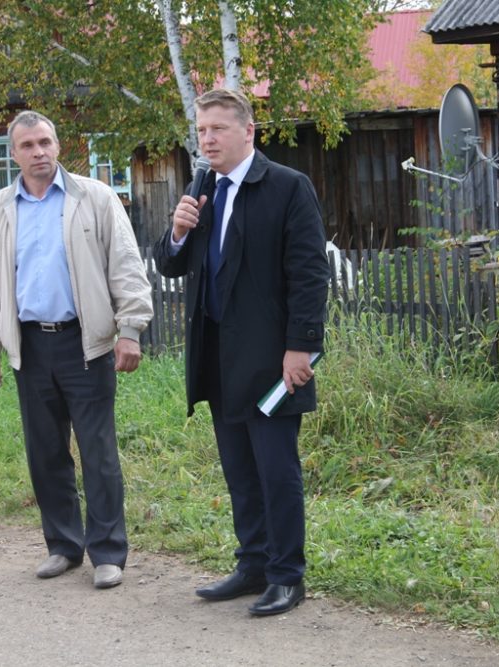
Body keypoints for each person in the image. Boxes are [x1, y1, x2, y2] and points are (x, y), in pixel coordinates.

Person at [152, 88, 329, 617]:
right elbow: (171, 265)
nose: (207, 140)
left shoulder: (286, 187)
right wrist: (179, 231)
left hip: (274, 363)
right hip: (219, 360)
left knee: (277, 471)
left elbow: (310, 275)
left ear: (247, 131)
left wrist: (301, 348)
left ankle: (287, 576)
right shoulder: (203, 187)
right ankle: (252, 564)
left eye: (218, 129)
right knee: (239, 472)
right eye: (201, 131)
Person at [0, 110, 152, 590]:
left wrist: (130, 328)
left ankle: (108, 552)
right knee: (46, 452)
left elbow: (126, 265)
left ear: (58, 145)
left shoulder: (93, 198)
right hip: (29, 346)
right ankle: (64, 546)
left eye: (46, 142)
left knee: (98, 452)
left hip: (85, 344)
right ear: (13, 153)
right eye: (28, 145)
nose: (39, 152)